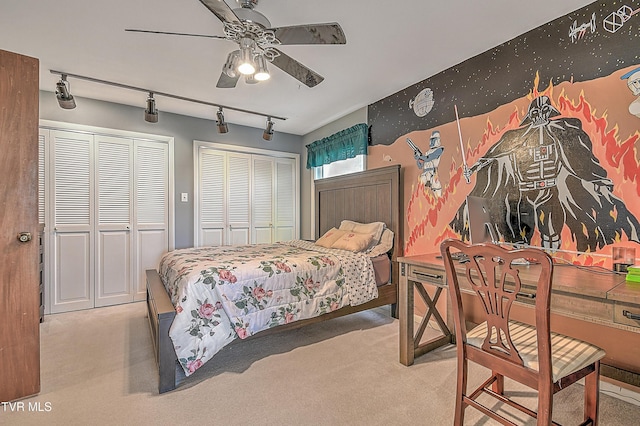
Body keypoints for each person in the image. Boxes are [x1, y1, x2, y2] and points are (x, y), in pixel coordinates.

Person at [452, 95, 639, 251]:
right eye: (536, 112)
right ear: (530, 116)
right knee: (517, 230)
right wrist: (474, 168)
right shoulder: (515, 138)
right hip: (522, 194)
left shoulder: (564, 131)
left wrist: (599, 179)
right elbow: (493, 155)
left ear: (550, 112)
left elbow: (583, 157)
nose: (540, 115)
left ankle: (551, 263)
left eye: (544, 111)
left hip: (549, 190)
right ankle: (519, 257)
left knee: (551, 231)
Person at [412, 131, 444, 197]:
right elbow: (420, 166)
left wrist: (420, 157)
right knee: (420, 190)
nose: (432, 142)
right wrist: (418, 158)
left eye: (434, 140)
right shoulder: (427, 152)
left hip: (433, 173)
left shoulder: (439, 149)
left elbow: (429, 158)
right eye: (431, 140)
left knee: (437, 191)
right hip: (425, 173)